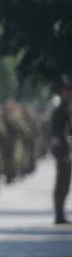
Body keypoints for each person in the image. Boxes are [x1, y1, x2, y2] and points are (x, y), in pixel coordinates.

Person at [52, 80, 71, 225]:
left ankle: (60, 214)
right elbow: (58, 135)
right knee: (62, 183)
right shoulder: (60, 110)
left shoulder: (66, 108)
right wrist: (63, 154)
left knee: (65, 183)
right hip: (63, 153)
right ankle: (59, 214)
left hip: (66, 152)